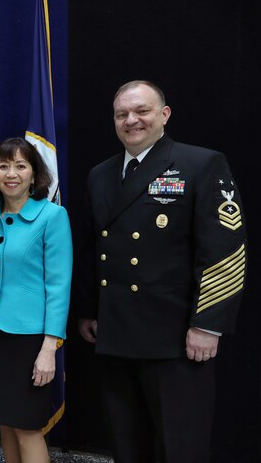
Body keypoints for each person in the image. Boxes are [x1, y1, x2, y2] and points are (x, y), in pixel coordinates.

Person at [77, 80, 247, 463]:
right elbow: (95, 249)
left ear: (164, 115)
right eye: (122, 114)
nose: (131, 120)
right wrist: (89, 309)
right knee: (126, 446)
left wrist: (208, 324)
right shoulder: (100, 174)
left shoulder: (200, 163)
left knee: (178, 448)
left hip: (176, 338)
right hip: (116, 332)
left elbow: (225, 251)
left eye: (142, 111)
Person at [0, 138, 72, 463]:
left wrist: (49, 348)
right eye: (4, 166)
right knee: (5, 421)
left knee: (27, 426)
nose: (11, 173)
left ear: (34, 174)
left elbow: (59, 285)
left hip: (31, 339)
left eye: (20, 166)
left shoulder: (52, 216)